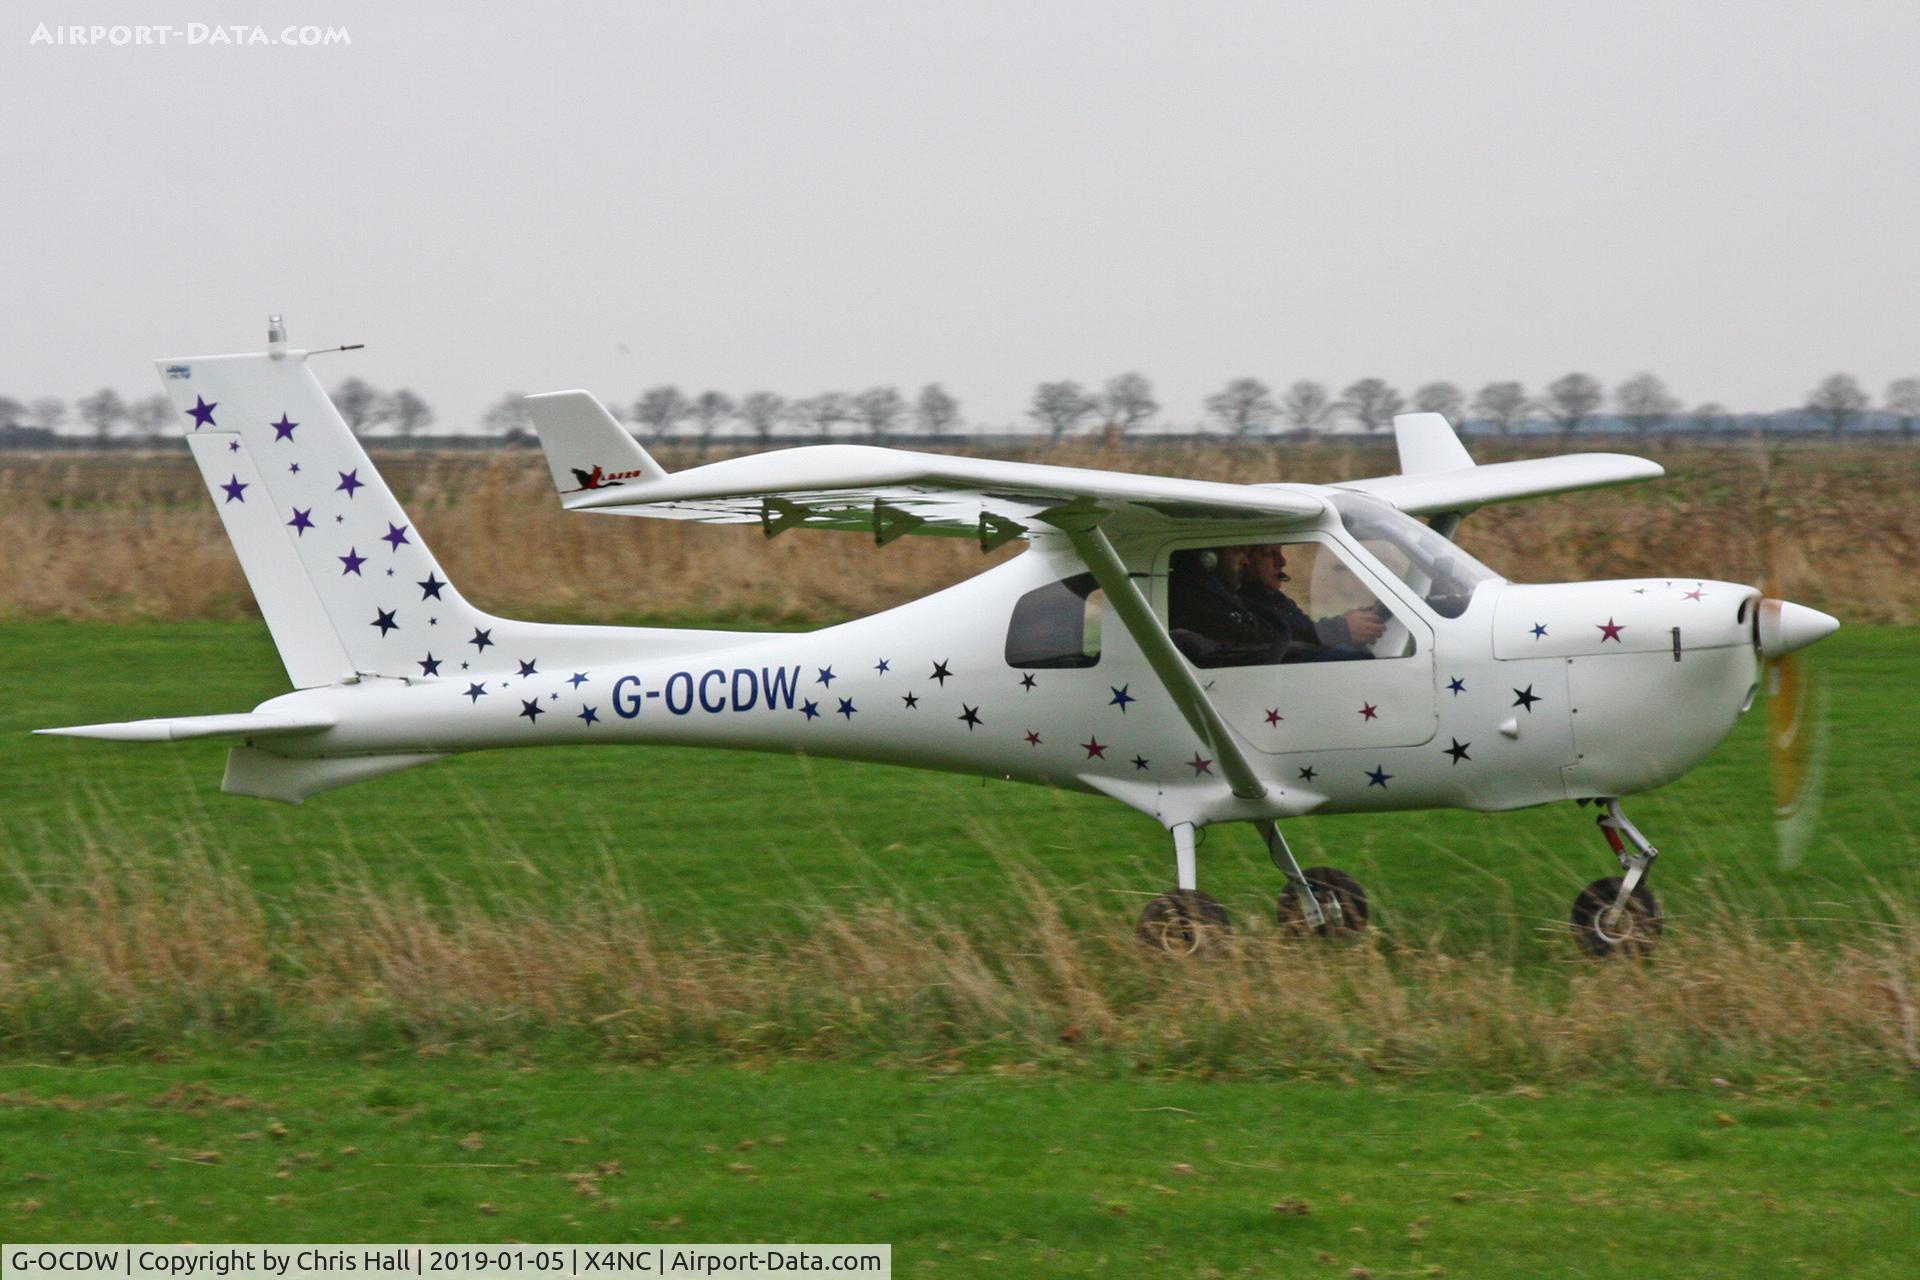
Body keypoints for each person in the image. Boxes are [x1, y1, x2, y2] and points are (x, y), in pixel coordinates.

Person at [1237, 543, 1385, 661]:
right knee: (1353, 657)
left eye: (1280, 552)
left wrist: (1347, 623)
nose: (1281, 561)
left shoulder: (1272, 598)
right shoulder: (1242, 605)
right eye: (1268, 554)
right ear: (1244, 560)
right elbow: (1287, 640)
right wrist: (1343, 628)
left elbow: (1303, 628)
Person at [1167, 546, 1284, 666]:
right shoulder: (1195, 598)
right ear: (1210, 558)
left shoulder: (1226, 595)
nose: (1246, 561)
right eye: (1237, 552)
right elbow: (1246, 639)